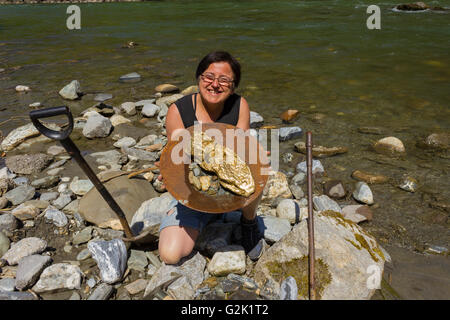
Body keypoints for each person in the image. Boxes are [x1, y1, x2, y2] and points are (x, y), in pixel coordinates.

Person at [157, 51, 263, 265]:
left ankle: (248, 221)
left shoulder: (239, 106)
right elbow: (177, 158)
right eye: (209, 77)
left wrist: (255, 156)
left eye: (224, 80)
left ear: (233, 85)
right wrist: (167, 170)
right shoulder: (178, 111)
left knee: (260, 168)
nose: (215, 84)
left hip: (228, 187)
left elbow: (240, 149)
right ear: (199, 78)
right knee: (170, 255)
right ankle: (201, 216)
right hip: (193, 190)